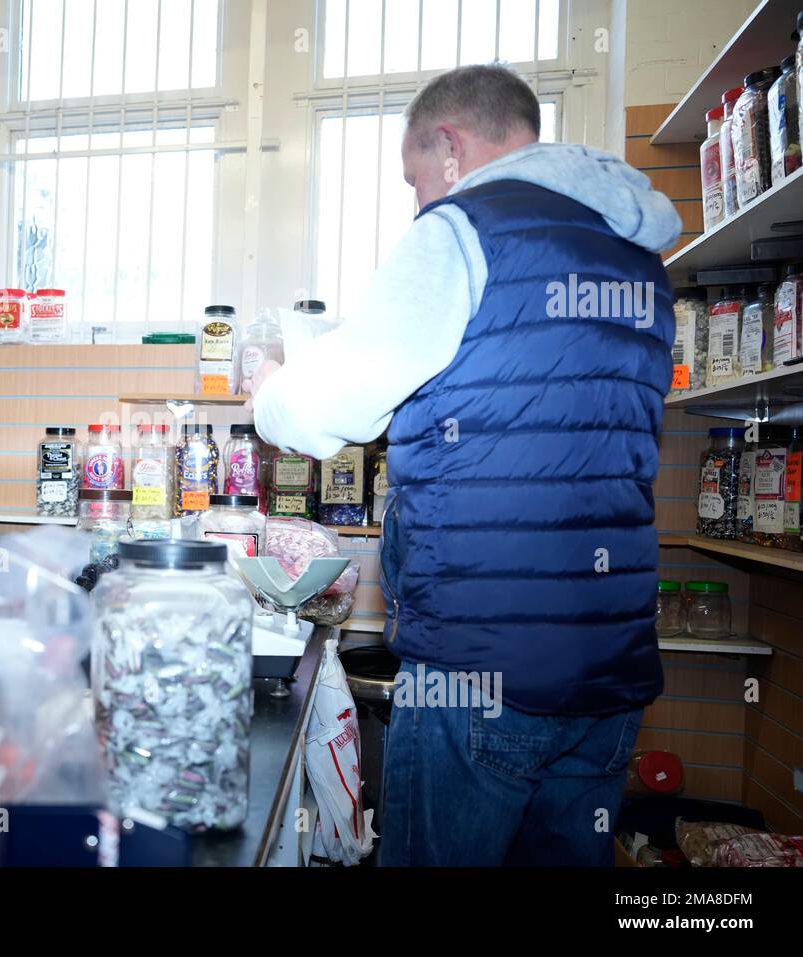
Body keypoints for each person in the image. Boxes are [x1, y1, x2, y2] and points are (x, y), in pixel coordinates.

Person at [248, 64, 682, 866]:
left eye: (415, 179)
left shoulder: (461, 230)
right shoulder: (640, 263)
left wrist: (269, 385)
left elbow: (318, 419)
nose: (419, 200)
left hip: (479, 673)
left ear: (449, 147)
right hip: (612, 676)